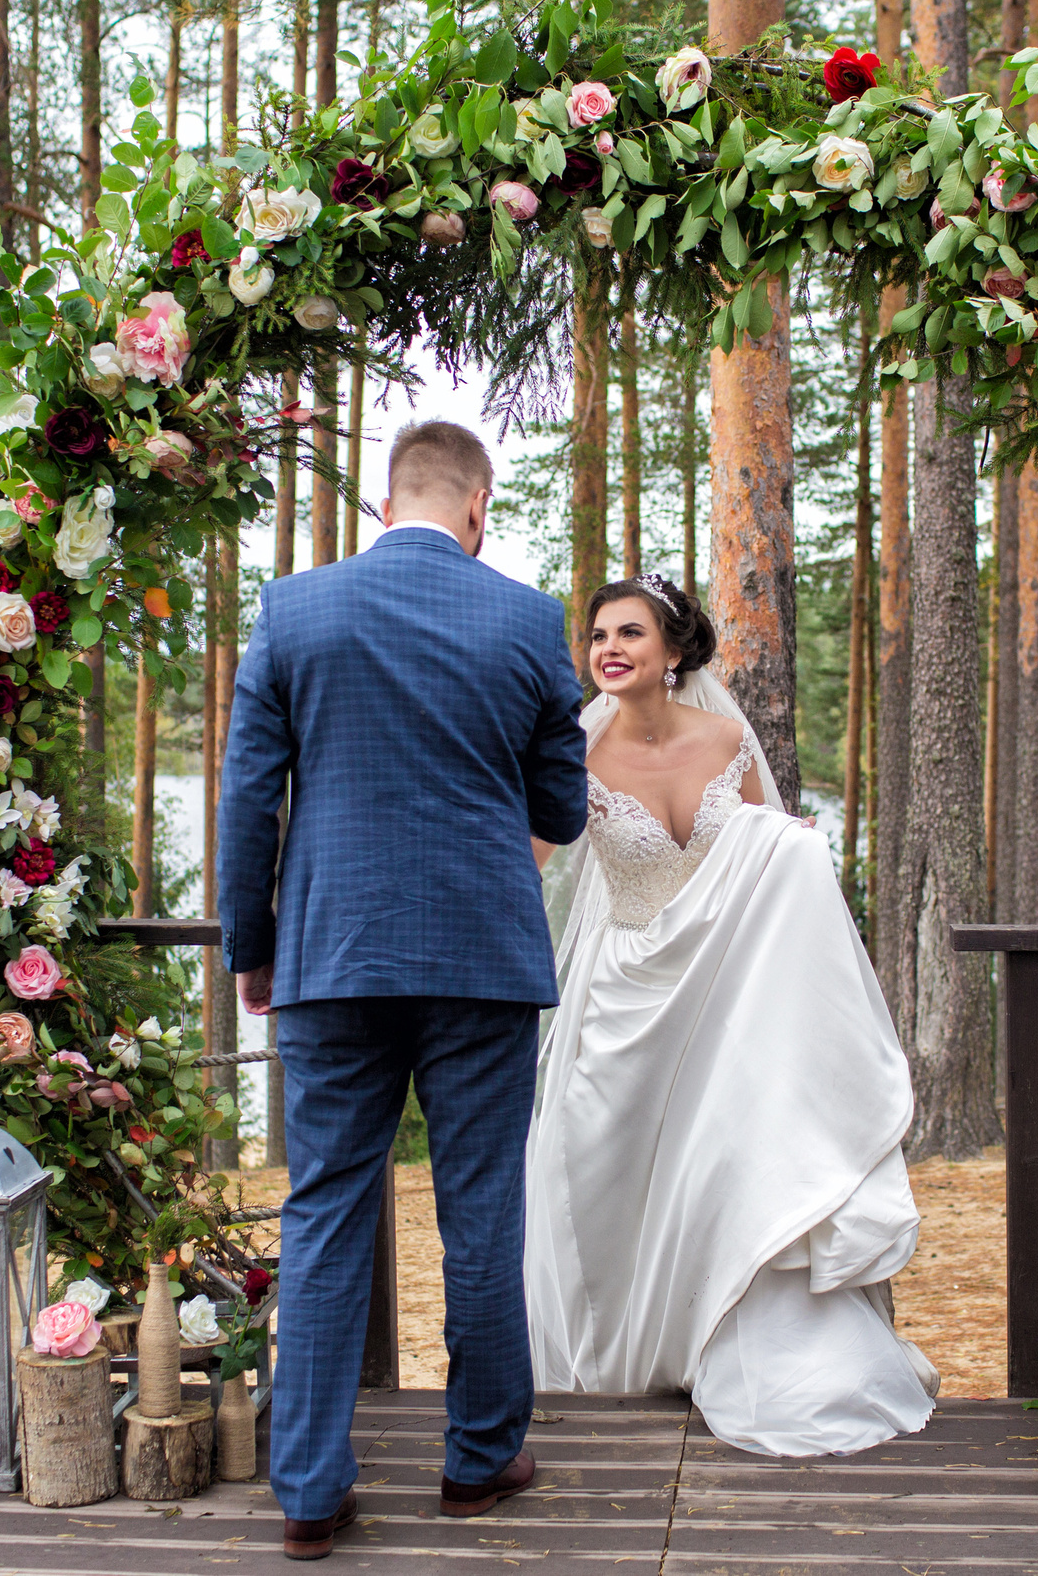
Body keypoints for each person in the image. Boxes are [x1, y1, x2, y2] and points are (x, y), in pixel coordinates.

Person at [217, 420, 587, 1560]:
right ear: (477, 507)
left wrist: (253, 947)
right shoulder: (526, 619)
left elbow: (245, 804)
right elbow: (563, 812)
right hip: (480, 957)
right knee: (480, 1209)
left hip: (332, 957)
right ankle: (478, 1461)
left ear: (388, 506)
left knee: (325, 1207)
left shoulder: (293, 609)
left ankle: (312, 1492)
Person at [526, 574, 938, 1457]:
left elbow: (770, 866)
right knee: (605, 1173)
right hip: (624, 994)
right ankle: (625, 1350)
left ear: (674, 651)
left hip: (719, 998)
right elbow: (528, 855)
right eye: (598, 635)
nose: (609, 649)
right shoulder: (576, 752)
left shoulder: (728, 740)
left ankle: (727, 1339)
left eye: (630, 632)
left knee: (720, 1171)